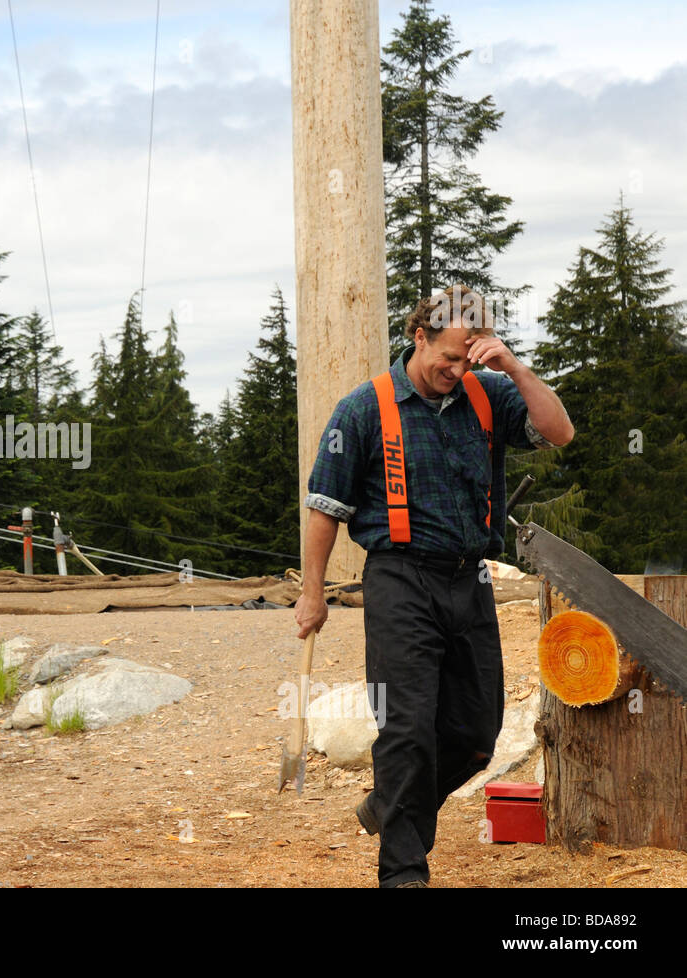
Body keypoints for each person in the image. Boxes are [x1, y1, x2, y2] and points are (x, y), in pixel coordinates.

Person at [294, 285, 574, 888]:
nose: (454, 369)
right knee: (407, 728)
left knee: (477, 733)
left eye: (466, 358)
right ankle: (403, 872)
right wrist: (312, 592)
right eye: (446, 356)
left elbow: (560, 432)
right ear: (418, 337)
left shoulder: (491, 393)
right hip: (399, 579)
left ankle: (391, 804)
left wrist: (513, 367)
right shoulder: (363, 409)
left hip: (469, 580)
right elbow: (324, 508)